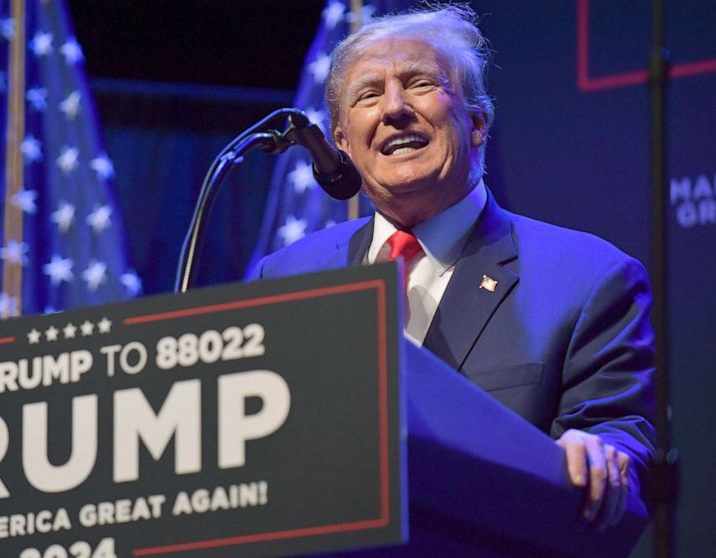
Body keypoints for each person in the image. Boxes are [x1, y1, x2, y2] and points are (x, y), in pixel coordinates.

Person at [251, 5, 655, 533]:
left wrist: (599, 455)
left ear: (478, 123)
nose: (394, 108)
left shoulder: (588, 278)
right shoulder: (286, 279)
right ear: (343, 143)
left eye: (419, 84)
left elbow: (617, 437)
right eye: (369, 94)